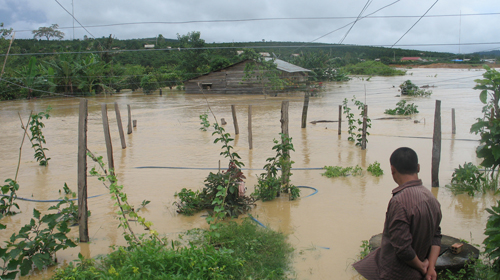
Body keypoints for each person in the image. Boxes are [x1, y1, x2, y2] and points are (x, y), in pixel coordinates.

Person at [353, 147, 442, 280]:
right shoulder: (432, 199)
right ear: (418, 167)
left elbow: (403, 248)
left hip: (396, 273)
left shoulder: (399, 202)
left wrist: (421, 266)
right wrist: (430, 268)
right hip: (419, 270)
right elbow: (436, 236)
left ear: (392, 169)